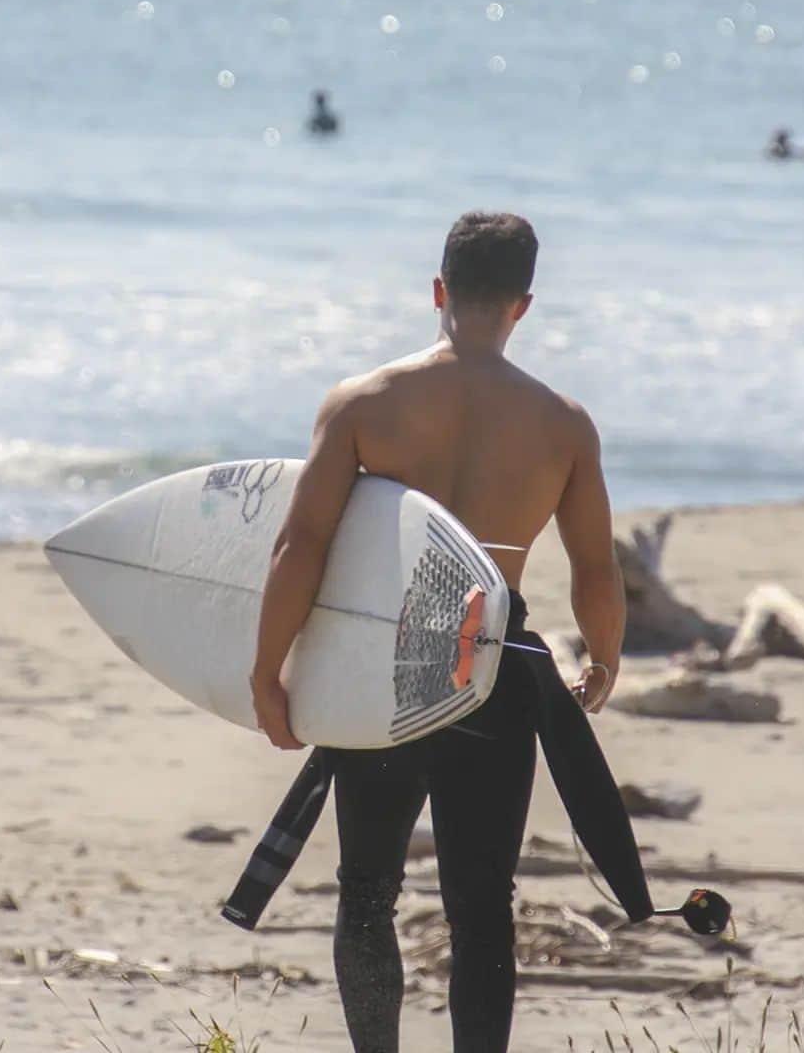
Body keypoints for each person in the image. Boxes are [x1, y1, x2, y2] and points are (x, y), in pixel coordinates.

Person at [248, 210, 626, 1051]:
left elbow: (300, 544)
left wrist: (268, 671)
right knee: (484, 904)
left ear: (437, 291)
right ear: (524, 306)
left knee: (366, 890)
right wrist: (604, 657)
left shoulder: (364, 404)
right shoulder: (563, 424)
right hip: (495, 666)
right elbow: (595, 569)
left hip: (389, 658)